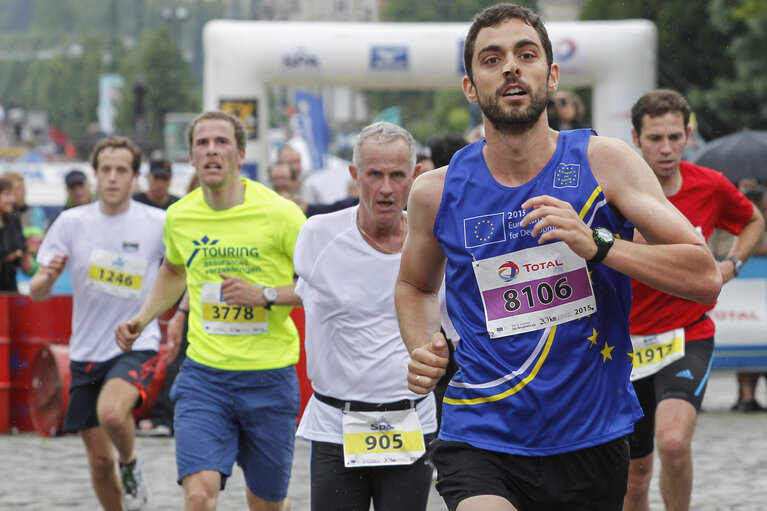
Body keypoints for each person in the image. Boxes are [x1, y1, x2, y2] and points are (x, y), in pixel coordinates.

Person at [394, 4, 722, 511]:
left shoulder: (604, 162)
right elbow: (414, 286)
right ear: (469, 86)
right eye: (492, 58)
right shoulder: (436, 192)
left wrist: (600, 245)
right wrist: (423, 347)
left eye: (526, 55)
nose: (510, 68)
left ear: (550, 77)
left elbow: (703, 275)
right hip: (481, 429)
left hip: (589, 434)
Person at [115, 110, 305, 511]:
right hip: (205, 377)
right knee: (199, 496)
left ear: (239, 154)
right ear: (191, 157)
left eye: (221, 142)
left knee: (266, 505)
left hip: (268, 379)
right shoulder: (180, 216)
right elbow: (173, 269)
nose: (212, 150)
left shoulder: (282, 214)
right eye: (203, 143)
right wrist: (142, 318)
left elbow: (319, 285)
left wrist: (265, 295)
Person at [624, 89, 763, 511]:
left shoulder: (710, 185)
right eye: (654, 139)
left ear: (688, 135)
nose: (666, 149)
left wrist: (732, 264)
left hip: (687, 335)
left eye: (674, 137)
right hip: (624, 345)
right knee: (634, 477)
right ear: (636, 137)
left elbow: (752, 220)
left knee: (673, 443)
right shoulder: (616, 190)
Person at [294, 121, 435, 511]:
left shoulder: (434, 246)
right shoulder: (317, 236)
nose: (386, 188)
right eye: (374, 175)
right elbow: (302, 293)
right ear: (355, 175)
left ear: (415, 177)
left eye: (396, 175)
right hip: (336, 422)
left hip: (409, 421)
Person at [30, 135, 167, 511]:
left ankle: (130, 461)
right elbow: (38, 291)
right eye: (105, 169)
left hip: (135, 343)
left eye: (121, 170)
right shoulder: (72, 223)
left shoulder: (158, 223)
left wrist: (181, 314)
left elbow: (183, 272)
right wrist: (45, 277)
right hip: (86, 350)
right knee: (97, 461)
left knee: (111, 413)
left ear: (134, 177)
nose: (112, 178)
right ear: (94, 175)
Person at [731, 184, 767, 411]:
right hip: (743, 296)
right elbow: (721, 249)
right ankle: (746, 397)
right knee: (744, 342)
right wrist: (751, 250)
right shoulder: (732, 225)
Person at [0, 177, 32, 291]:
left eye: (12, 195)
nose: (12, 199)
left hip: (11, 288)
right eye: (7, 195)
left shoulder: (14, 220)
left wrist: (25, 259)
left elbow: (21, 249)